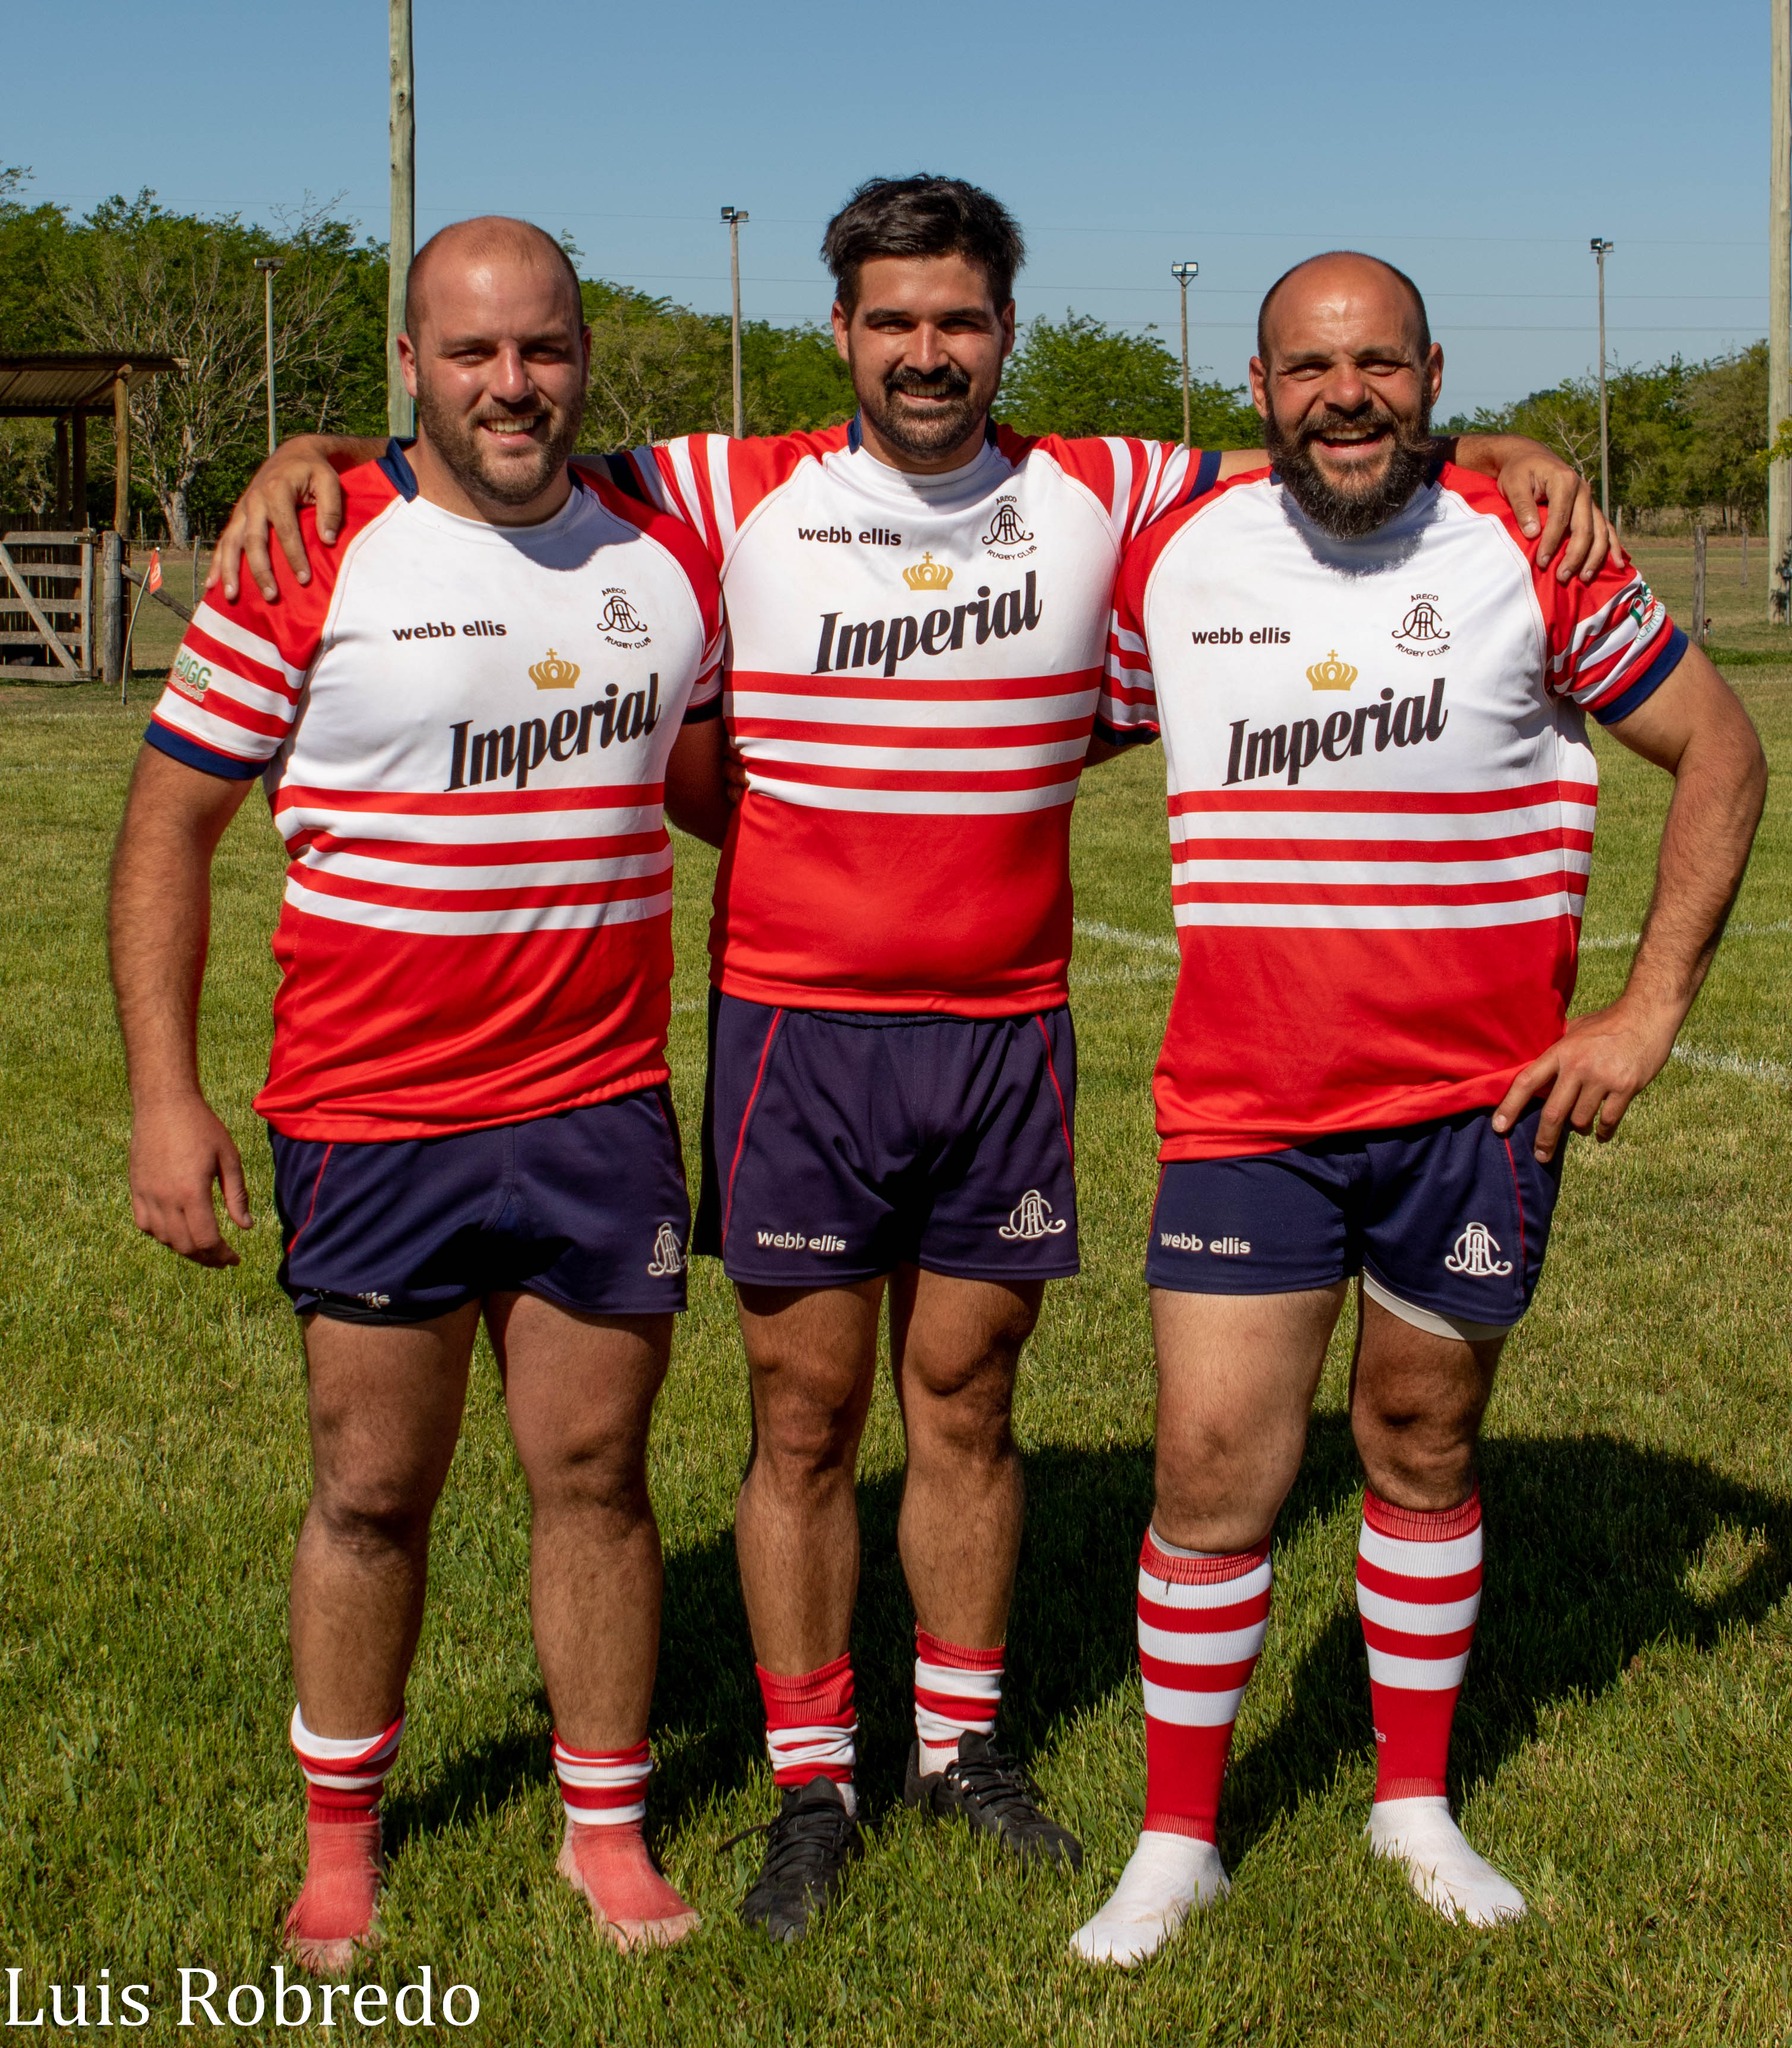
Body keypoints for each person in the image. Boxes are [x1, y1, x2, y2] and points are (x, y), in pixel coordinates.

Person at [206, 177, 1612, 1942]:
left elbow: (1341, 432)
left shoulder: (1106, 489)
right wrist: (326, 450)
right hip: (799, 1035)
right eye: (893, 319)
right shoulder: (731, 486)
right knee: (800, 1421)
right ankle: (813, 1784)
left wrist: (1511, 435)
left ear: (1004, 331)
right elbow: (494, 448)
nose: (927, 350)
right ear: (843, 334)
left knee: (969, 1403)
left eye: (959, 318)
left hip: (1006, 1033)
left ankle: (964, 1751)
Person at [1069, 250, 1767, 1966]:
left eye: (1380, 362)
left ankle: (1411, 1801)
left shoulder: (1532, 546)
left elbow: (1725, 750)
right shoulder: (1173, 558)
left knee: (1422, 1445)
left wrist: (1648, 1014)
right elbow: (993, 691)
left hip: (1476, 1113)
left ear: (1433, 372)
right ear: (1258, 389)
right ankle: (1176, 1841)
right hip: (1249, 1107)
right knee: (1216, 1465)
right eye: (1313, 368)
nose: (1348, 394)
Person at [109, 218, 730, 1968]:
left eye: (540, 348)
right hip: (373, 1111)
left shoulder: (669, 552)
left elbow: (709, 785)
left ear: (584, 355)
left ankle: (602, 1831)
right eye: (471, 354)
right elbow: (170, 829)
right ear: (410, 368)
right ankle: (341, 1840)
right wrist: (168, 1097)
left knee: (597, 1472)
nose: (510, 384)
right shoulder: (311, 551)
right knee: (372, 1486)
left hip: (600, 1104)